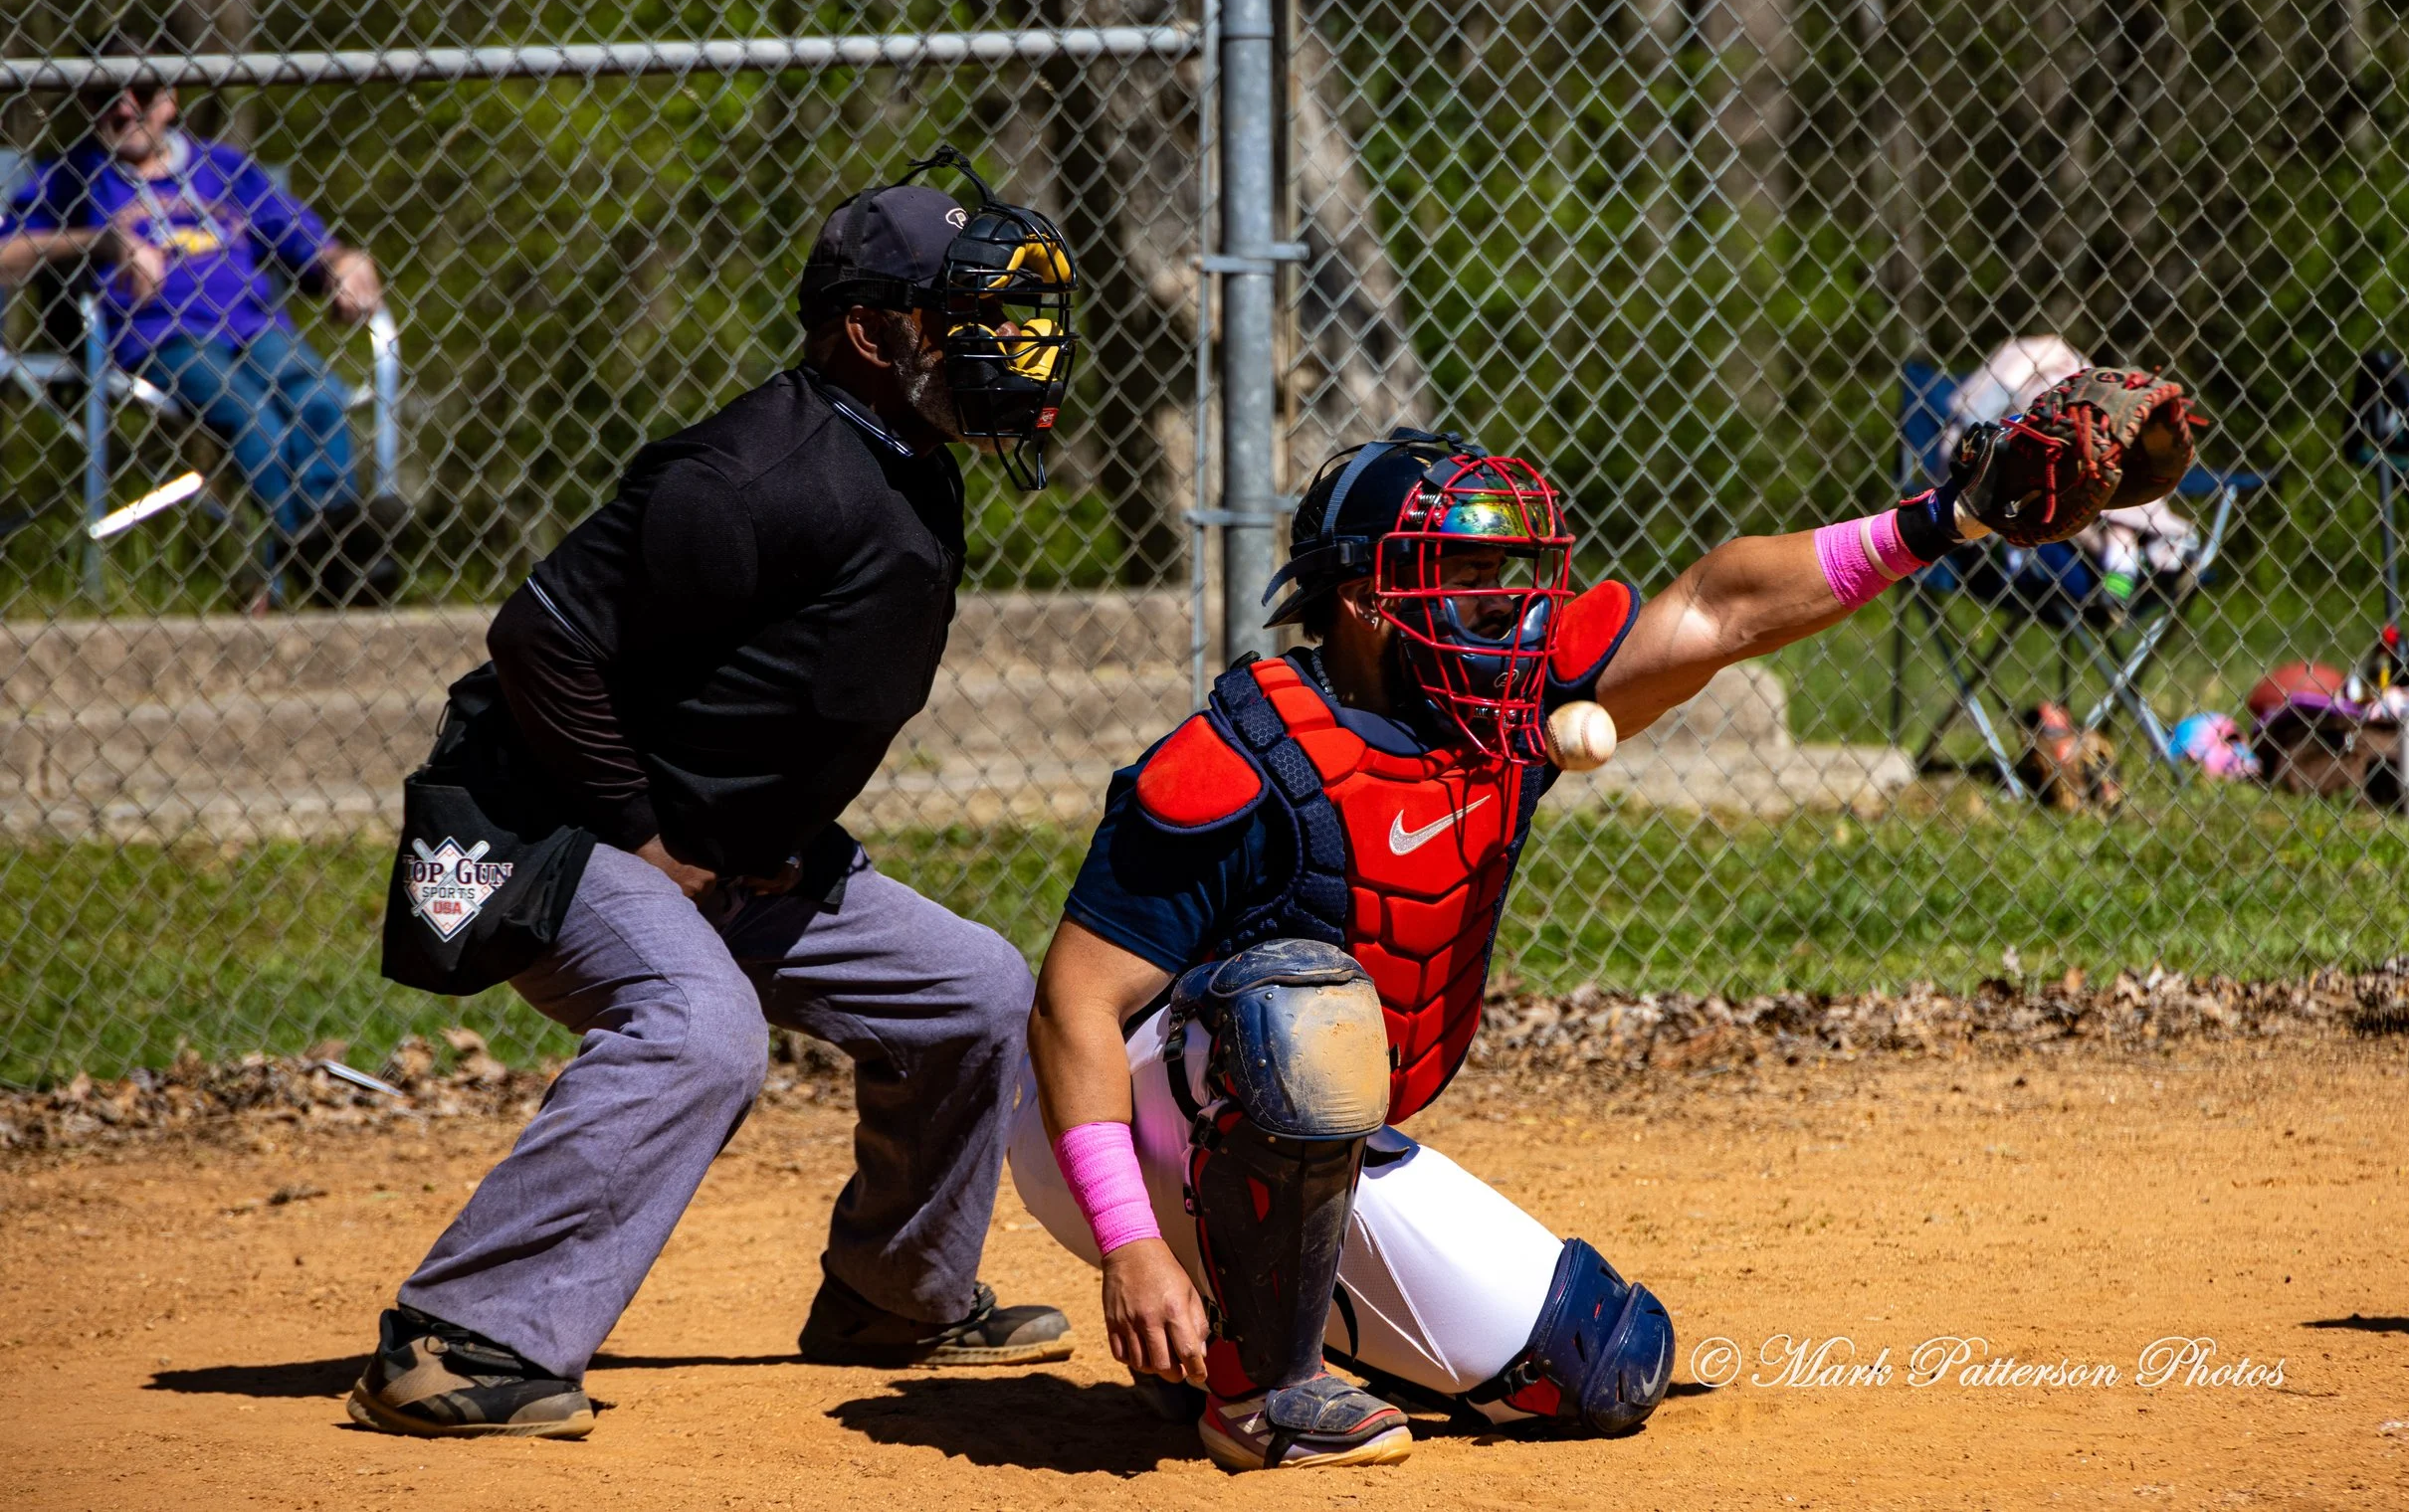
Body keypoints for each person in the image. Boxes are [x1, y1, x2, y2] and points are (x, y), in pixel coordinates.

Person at [1009, 401, 2193, 1471]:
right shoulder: (1243, 756)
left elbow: (1719, 605)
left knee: (1603, 1361)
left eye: (1505, 570)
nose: (1503, 601)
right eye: (1461, 574)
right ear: (1366, 600)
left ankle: (1236, 1318)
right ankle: (1260, 1392)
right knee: (1291, 1000)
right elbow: (1071, 1004)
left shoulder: (1504, 700)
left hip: (1289, 1150)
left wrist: (1947, 516)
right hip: (1111, 1132)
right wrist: (1129, 1243)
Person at [347, 147, 1082, 1440]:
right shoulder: (751, 474)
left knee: (971, 989)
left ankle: (894, 1295)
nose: (1006, 344)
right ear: (870, 333)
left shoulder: (904, 454)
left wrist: (750, 831)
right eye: (963, 316)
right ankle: (456, 1336)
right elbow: (539, 641)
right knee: (700, 1028)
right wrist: (648, 833)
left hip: (729, 851)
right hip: (550, 825)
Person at [0, 43, 398, 605]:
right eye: (104, 95)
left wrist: (343, 263)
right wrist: (102, 241)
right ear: (86, 103)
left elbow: (307, 241)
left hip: (253, 326)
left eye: (140, 93)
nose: (123, 109)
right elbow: (8, 251)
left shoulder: (224, 169)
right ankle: (323, 564)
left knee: (321, 401)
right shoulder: (73, 177)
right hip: (160, 334)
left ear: (170, 99)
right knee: (253, 416)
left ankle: (330, 555)